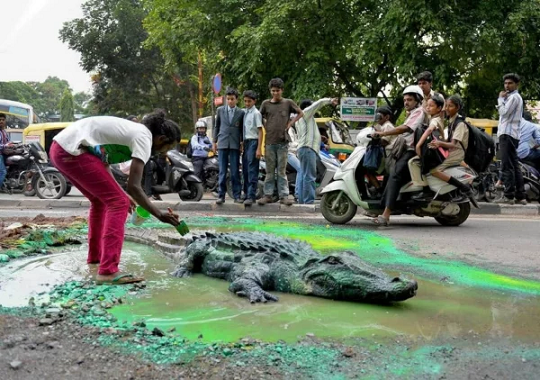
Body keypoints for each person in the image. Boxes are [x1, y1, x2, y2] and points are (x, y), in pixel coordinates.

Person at [49, 111, 181, 284]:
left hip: (60, 149)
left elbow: (103, 163)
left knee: (101, 201)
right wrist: (160, 215)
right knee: (119, 203)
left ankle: (96, 260)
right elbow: (134, 186)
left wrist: (119, 191)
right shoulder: (144, 137)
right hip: (72, 151)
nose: (165, 153)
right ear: (161, 139)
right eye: (168, 148)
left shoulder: (132, 132)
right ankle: (108, 270)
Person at [371, 85, 429, 226]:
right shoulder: (411, 113)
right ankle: (382, 207)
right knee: (390, 174)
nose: (406, 102)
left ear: (418, 100)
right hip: (406, 150)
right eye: (404, 100)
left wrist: (383, 134)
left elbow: (405, 128)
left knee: (395, 175)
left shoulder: (419, 112)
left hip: (412, 151)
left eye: (409, 100)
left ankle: (386, 215)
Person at [417, 95, 478, 207]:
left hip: (456, 153)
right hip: (453, 151)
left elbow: (453, 144)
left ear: (457, 107)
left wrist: (439, 143)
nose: (446, 109)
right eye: (446, 106)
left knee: (434, 170)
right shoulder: (451, 120)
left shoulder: (460, 124)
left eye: (450, 106)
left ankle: (464, 188)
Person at [258, 78, 303, 206]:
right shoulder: (265, 104)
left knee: (282, 171)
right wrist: (264, 124)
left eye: (277, 91)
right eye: (273, 91)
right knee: (270, 171)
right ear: (270, 91)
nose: (275, 93)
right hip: (269, 142)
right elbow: (259, 117)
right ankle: (268, 195)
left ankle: (284, 196)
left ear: (282, 90)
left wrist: (290, 123)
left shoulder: (288, 103)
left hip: (283, 142)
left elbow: (300, 113)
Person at [295, 97, 339, 204]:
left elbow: (307, 134)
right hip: (308, 149)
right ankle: (308, 201)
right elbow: (318, 104)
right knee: (309, 176)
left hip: (303, 149)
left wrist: (320, 139)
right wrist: (329, 100)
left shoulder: (302, 120)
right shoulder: (306, 113)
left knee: (303, 175)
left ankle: (302, 200)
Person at [497, 73, 526, 205]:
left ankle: (508, 196)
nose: (507, 86)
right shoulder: (513, 97)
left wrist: (499, 99)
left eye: (510, 83)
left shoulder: (514, 97)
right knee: (514, 165)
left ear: (516, 84)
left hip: (507, 134)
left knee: (507, 165)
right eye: (505, 83)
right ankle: (520, 195)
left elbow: (504, 113)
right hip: (512, 135)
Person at [213, 88, 245, 204]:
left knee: (235, 171)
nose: (230, 101)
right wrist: (214, 141)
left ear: (236, 100)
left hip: (235, 144)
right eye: (228, 99)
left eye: (232, 99)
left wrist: (242, 142)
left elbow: (242, 129)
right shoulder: (220, 110)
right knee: (222, 170)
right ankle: (221, 195)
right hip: (222, 143)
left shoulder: (241, 113)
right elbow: (217, 126)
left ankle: (237, 195)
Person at [241, 90, 264, 206]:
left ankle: (251, 195)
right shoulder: (245, 113)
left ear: (254, 101)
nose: (247, 103)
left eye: (249, 101)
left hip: (254, 142)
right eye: (245, 101)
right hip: (246, 142)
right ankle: (245, 193)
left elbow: (260, 131)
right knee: (245, 169)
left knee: (252, 169)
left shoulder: (256, 113)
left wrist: (259, 148)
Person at [190, 120, 213, 185]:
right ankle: (194, 185)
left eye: (203, 128)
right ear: (197, 129)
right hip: (197, 158)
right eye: (200, 128)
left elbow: (211, 145)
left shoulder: (207, 138)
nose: (202, 130)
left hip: (206, 158)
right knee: (198, 171)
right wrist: (203, 147)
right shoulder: (195, 137)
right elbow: (195, 145)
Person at [0, 113, 12, 188]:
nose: (1, 121)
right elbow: (4, 145)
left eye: (3, 120)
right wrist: (6, 145)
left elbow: (7, 142)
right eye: (0, 120)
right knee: (3, 172)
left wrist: (12, 145)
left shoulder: (4, 132)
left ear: (5, 121)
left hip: (4, 154)